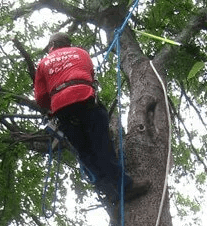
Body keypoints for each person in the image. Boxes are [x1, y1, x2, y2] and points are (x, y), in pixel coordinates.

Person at [34, 32, 150, 206]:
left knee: (86, 153)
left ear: (51, 47)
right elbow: (89, 74)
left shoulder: (43, 63)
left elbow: (41, 98)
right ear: (67, 43)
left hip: (63, 111)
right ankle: (125, 187)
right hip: (86, 101)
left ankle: (108, 189)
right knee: (102, 147)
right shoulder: (81, 53)